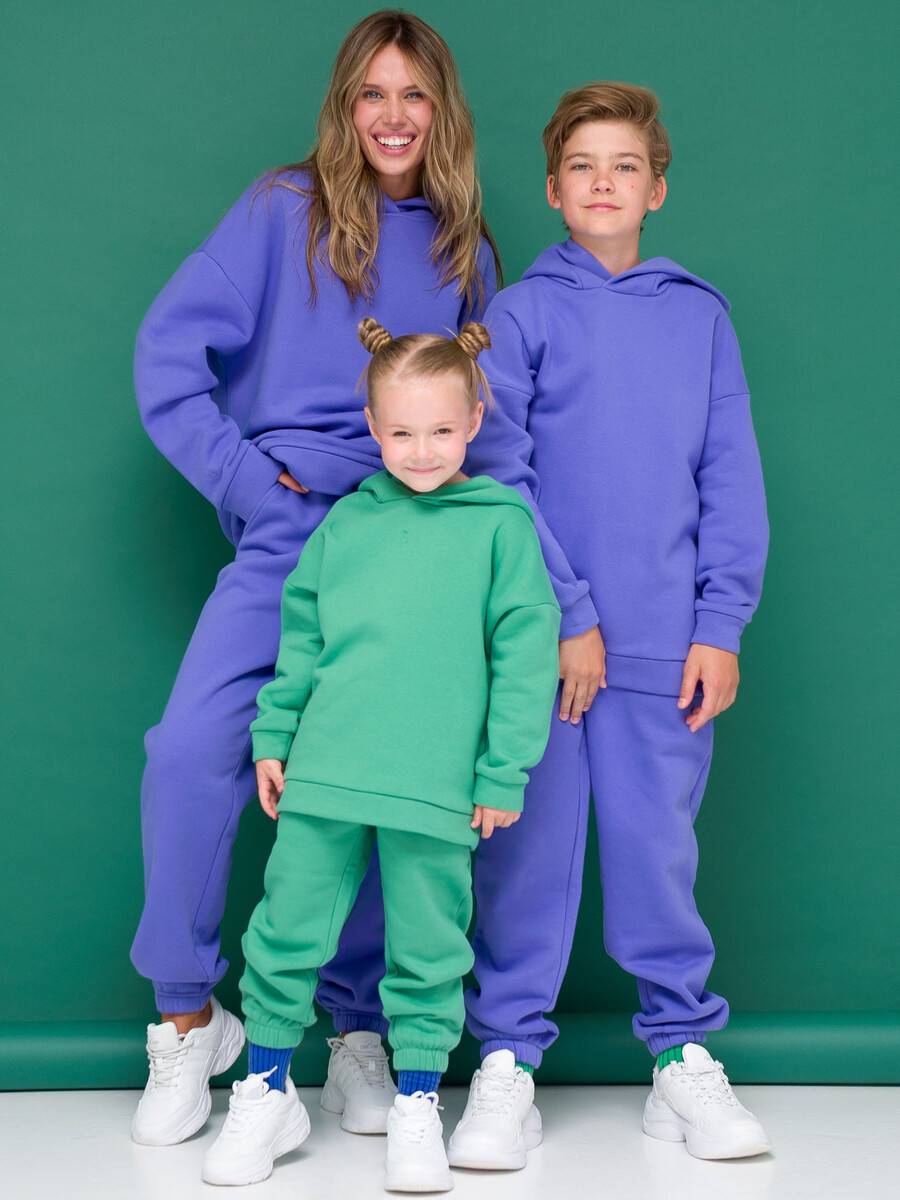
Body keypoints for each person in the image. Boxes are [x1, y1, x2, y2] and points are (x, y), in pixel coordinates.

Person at [130, 10, 500, 1148]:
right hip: (291, 527)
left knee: (391, 771)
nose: (393, 116)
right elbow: (166, 358)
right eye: (371, 93)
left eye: (414, 94)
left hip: (418, 537)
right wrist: (251, 484)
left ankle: (356, 1032)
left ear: (442, 110)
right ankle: (188, 1020)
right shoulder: (280, 211)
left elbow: (485, 422)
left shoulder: (466, 250)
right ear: (345, 105)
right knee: (189, 750)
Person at [450, 82, 772, 1167]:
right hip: (539, 648)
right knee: (523, 859)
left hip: (665, 648)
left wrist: (721, 621)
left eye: (624, 166)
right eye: (582, 166)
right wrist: (565, 616)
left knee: (657, 857)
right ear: (552, 189)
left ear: (656, 188)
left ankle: (680, 1056)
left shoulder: (701, 318)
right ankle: (507, 1062)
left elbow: (730, 476)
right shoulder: (519, 315)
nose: (603, 183)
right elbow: (497, 473)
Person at [198, 318, 560, 1190]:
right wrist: (275, 736)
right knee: (285, 929)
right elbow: (302, 640)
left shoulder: (501, 526)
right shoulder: (346, 525)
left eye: (441, 430)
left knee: (430, 948)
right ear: (371, 426)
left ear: (475, 421)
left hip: (436, 784)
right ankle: (266, 1090)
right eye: (401, 432)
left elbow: (525, 654)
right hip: (326, 769)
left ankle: (418, 1103)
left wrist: (503, 768)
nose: (421, 450)